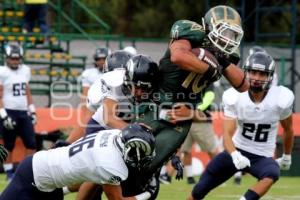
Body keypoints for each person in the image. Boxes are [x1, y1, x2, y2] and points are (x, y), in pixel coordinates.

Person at [129, 5, 249, 189]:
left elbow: (243, 85)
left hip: (181, 119)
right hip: (154, 105)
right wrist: (210, 68)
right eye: (225, 32)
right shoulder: (190, 31)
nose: (228, 39)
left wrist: (222, 60)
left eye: (232, 35)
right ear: (210, 27)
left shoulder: (224, 54)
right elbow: (178, 56)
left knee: (146, 170)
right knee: (125, 155)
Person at [187, 51, 294, 200]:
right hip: (236, 150)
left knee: (272, 172)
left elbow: (289, 129)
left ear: (270, 77)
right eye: (253, 72)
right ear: (246, 72)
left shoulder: (280, 98)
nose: (256, 78)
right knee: (198, 191)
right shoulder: (235, 96)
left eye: (262, 74)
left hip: (262, 156)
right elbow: (227, 135)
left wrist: (287, 156)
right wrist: (235, 154)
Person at [0, 123, 158, 200]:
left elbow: (86, 173)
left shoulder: (115, 134)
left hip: (51, 182)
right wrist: (147, 194)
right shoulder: (111, 164)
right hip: (32, 176)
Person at [0, 44, 37, 180]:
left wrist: (32, 110)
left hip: (23, 112)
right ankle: (9, 174)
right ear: (7, 58)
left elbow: (27, 91)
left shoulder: (25, 70)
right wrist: (3, 115)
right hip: (8, 111)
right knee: (9, 145)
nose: (15, 61)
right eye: (12, 59)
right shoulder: (2, 72)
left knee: (31, 144)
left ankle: (24, 172)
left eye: (17, 59)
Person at [65, 47, 111, 144]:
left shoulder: (113, 74)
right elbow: (85, 96)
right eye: (99, 59)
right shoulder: (89, 74)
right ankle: (66, 145)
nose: (101, 61)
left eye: (104, 59)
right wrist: (87, 114)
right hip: (95, 108)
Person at [180, 85, 220, 185]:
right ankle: (190, 177)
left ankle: (219, 175)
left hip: (202, 120)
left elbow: (209, 96)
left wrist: (196, 109)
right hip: (185, 120)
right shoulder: (184, 78)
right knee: (186, 150)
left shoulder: (207, 79)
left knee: (211, 150)